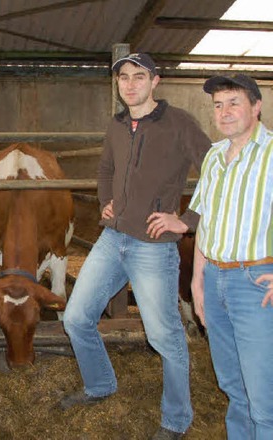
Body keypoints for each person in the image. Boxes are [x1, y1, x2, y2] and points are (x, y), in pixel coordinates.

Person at [58, 53, 211, 440]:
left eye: (138, 76)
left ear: (155, 81)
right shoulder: (117, 124)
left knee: (164, 336)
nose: (129, 84)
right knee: (76, 317)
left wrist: (186, 221)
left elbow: (215, 174)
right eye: (123, 77)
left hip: (154, 247)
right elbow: (106, 168)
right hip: (113, 239)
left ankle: (176, 419)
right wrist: (107, 199)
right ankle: (100, 385)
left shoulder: (180, 124)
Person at [185, 75, 272, 439]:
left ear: (256, 107)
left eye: (234, 103)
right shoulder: (214, 157)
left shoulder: (270, 155)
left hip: (255, 283)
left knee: (263, 396)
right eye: (218, 105)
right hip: (215, 281)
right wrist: (197, 282)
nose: (225, 112)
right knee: (233, 388)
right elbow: (205, 222)